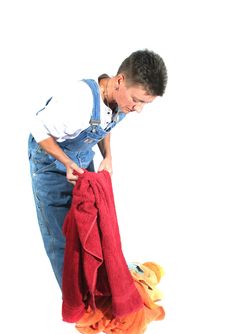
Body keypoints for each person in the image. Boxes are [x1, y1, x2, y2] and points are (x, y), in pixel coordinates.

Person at [28, 49, 168, 289]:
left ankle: (100, 287)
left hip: (81, 159)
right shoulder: (77, 101)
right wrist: (67, 163)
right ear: (120, 80)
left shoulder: (117, 99)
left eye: (145, 104)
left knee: (93, 225)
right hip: (51, 163)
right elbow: (38, 129)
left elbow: (105, 124)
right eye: (136, 100)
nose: (138, 109)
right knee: (62, 236)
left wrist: (108, 155)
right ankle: (77, 302)